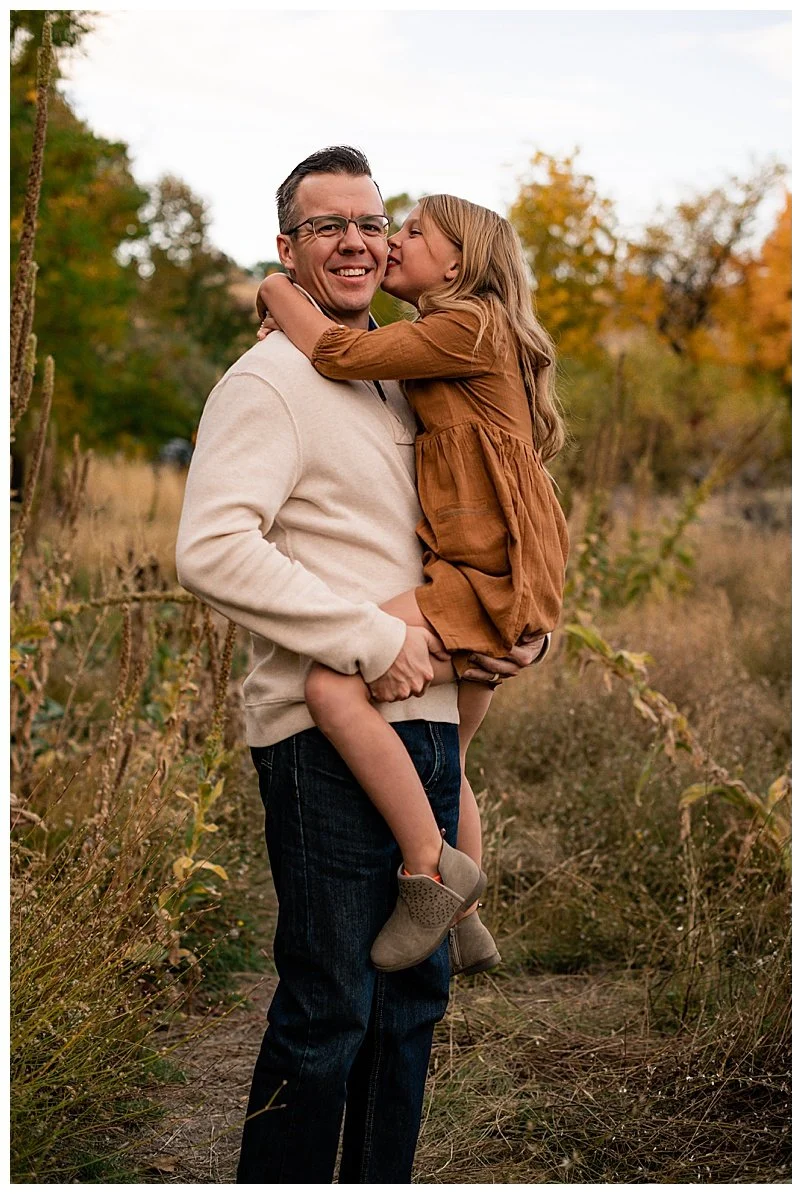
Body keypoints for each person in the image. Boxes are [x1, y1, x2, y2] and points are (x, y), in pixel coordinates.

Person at [176, 146, 546, 1184]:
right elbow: (212, 547)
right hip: (322, 728)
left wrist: (509, 626)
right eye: (326, 225)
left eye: (370, 222)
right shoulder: (269, 379)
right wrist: (371, 638)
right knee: (331, 1001)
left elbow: (477, 515)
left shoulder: (407, 370)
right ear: (287, 248)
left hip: (424, 716)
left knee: (412, 1004)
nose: (354, 240)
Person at [255, 193, 569, 974]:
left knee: (331, 684)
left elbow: (339, 355)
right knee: (448, 755)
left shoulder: (467, 325)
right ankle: (466, 920)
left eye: (413, 233)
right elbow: (351, 354)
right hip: (495, 562)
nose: (391, 244)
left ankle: (431, 875)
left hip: (483, 570)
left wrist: (275, 292)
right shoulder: (443, 337)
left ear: (459, 262)